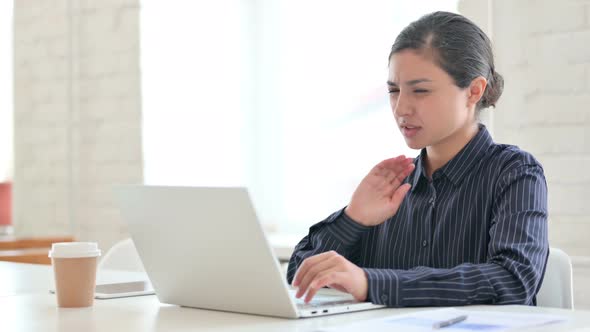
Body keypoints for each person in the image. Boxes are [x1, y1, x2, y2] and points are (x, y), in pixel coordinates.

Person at [286, 11, 549, 307]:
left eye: (420, 90)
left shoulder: (514, 173)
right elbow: (299, 275)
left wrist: (372, 283)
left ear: (474, 91)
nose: (401, 108)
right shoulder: (391, 185)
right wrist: (353, 219)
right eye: (393, 90)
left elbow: (514, 280)